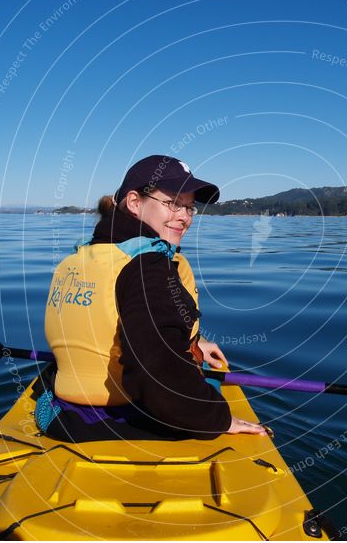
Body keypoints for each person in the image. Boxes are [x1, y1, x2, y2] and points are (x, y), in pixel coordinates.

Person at [38, 154, 267, 442]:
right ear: (135, 203)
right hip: (118, 419)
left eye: (189, 207)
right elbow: (156, 371)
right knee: (205, 380)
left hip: (60, 414)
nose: (184, 216)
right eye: (172, 203)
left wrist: (195, 344)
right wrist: (216, 418)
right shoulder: (148, 267)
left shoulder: (82, 257)